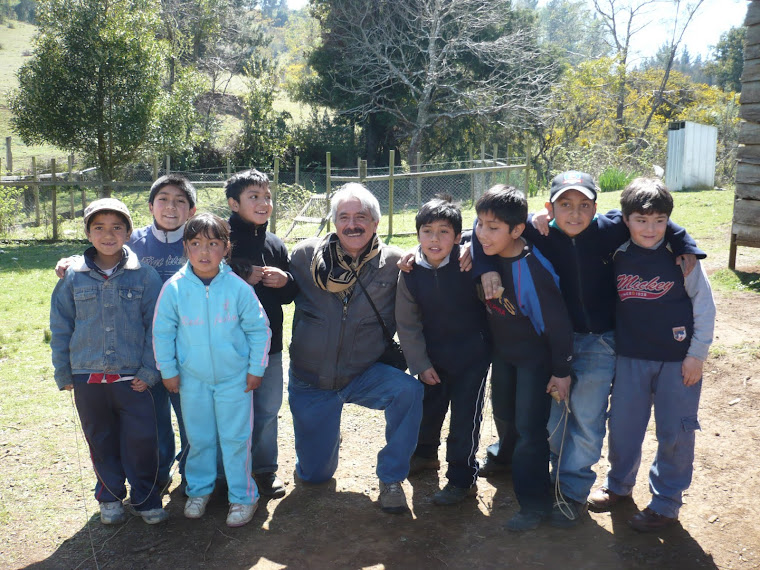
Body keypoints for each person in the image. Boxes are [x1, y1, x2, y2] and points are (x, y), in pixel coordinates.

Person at [472, 171, 704, 528]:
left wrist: (686, 245)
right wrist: (484, 267)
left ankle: (573, 492)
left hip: (601, 341)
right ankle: (556, 478)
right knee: (554, 417)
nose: (575, 214)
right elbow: (486, 229)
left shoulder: (612, 228)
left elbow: (658, 218)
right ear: (550, 208)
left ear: (597, 208)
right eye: (565, 205)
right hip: (552, 341)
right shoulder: (539, 230)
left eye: (584, 206)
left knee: (587, 418)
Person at [287, 183, 423, 514]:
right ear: (334, 222)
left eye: (361, 217)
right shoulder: (304, 257)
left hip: (363, 373)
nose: (352, 225)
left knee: (409, 391)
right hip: (312, 381)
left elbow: (443, 252)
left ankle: (391, 477)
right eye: (344, 217)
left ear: (376, 222)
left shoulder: (395, 263)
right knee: (316, 476)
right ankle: (325, 440)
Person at [587, 178, 715, 532]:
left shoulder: (681, 256)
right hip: (630, 357)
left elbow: (704, 306)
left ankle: (666, 502)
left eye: (659, 220)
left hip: (679, 361)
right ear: (627, 220)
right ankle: (619, 486)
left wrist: (697, 354)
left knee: (675, 432)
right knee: (624, 427)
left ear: (668, 221)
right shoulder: (618, 251)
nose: (650, 228)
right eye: (641, 220)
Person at [55, 175, 198, 492]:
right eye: (163, 198)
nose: (170, 206)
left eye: (179, 200)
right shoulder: (135, 240)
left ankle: (195, 475)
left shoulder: (197, 240)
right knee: (154, 420)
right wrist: (72, 260)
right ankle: (156, 476)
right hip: (142, 352)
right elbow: (104, 251)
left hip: (191, 347)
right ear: (150, 206)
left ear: (192, 209)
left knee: (192, 418)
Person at [50, 198, 167, 525]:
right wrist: (64, 371)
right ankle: (110, 495)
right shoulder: (72, 277)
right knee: (99, 439)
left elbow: (156, 326)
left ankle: (145, 498)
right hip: (87, 378)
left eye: (117, 227)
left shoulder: (145, 276)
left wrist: (149, 370)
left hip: (134, 379)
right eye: (99, 227)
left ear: (129, 233)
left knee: (142, 441)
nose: (108, 234)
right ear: (88, 233)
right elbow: (61, 326)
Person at [152, 213, 272, 528]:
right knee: (200, 437)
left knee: (235, 438)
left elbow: (259, 330)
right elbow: (162, 332)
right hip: (192, 381)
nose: (204, 252)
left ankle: (244, 496)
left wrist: (255, 368)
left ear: (226, 247)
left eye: (213, 244)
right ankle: (199, 490)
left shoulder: (238, 288)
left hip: (235, 381)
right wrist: (168, 370)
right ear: (186, 247)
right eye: (196, 244)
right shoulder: (174, 288)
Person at [474, 184, 573, 532]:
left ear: (518, 230)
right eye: (480, 224)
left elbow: (557, 326)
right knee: (504, 414)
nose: (483, 234)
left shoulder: (532, 270)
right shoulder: (486, 253)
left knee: (531, 430)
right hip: (504, 356)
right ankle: (504, 461)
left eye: (494, 227)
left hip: (535, 360)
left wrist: (561, 370)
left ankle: (534, 504)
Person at [395, 196, 491, 505]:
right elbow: (407, 325)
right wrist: (420, 364)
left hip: (471, 359)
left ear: (459, 236)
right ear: (417, 234)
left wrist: (477, 253)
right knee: (428, 409)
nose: (435, 239)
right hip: (432, 359)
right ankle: (424, 455)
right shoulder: (409, 272)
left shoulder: (469, 263)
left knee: (465, 420)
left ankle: (462, 480)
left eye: (444, 232)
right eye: (427, 231)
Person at [225, 169, 298, 499]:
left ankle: (265, 470)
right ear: (233, 203)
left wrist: (285, 281)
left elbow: (289, 296)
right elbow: (204, 274)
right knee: (229, 412)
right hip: (225, 346)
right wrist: (240, 271)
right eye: (253, 196)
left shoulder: (275, 244)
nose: (263, 202)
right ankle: (225, 472)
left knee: (267, 410)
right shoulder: (220, 239)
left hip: (269, 347)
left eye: (267, 196)